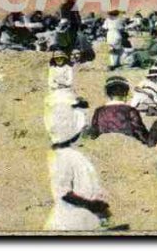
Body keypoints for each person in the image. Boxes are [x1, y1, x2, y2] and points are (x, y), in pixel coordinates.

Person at [44, 93, 111, 231]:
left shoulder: (69, 154)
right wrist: (91, 205)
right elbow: (64, 193)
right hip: (70, 222)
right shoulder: (62, 157)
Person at [90, 76, 149, 144]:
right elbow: (140, 131)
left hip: (103, 145)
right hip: (126, 146)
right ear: (126, 93)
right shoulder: (130, 110)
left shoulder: (99, 111)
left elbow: (94, 132)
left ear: (108, 94)